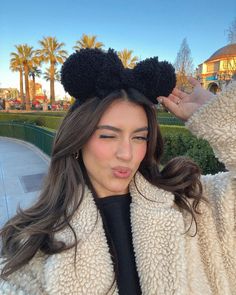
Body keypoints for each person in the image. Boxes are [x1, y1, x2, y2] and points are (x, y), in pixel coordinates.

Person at [0, 48, 235, 295]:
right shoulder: (35, 243)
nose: (127, 153)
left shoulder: (193, 204)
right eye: (108, 135)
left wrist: (221, 116)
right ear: (78, 140)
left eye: (139, 137)